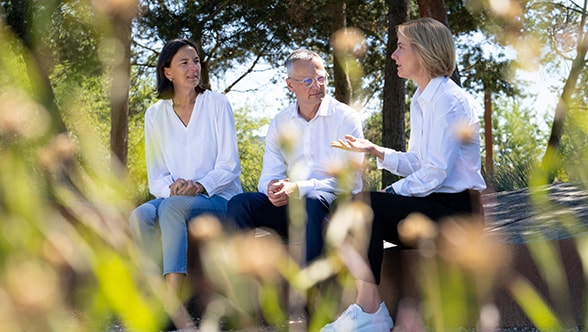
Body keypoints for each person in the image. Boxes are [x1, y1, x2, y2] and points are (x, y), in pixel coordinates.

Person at [322, 17, 487, 331]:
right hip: (431, 206)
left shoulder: (449, 100)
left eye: (400, 47)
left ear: (423, 52)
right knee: (348, 210)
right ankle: (368, 308)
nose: (393, 55)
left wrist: (392, 194)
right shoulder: (422, 98)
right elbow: (420, 161)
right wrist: (375, 151)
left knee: (358, 207)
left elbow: (437, 171)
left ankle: (370, 312)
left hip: (456, 213)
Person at [128, 38, 242, 330]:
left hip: (220, 198)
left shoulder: (217, 104)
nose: (194, 68)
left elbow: (230, 166)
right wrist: (173, 188)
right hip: (175, 197)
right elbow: (156, 175)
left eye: (196, 61)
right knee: (139, 215)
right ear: (168, 73)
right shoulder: (155, 114)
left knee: (172, 209)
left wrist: (200, 186)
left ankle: (172, 308)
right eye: (185, 63)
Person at [227, 48, 364, 266]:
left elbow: (349, 181)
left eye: (321, 78)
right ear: (290, 85)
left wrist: (299, 187)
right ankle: (241, 289)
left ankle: (307, 297)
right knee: (240, 204)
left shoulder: (345, 117)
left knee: (311, 203)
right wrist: (273, 189)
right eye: (308, 81)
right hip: (293, 205)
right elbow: (268, 176)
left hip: (332, 206)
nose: (317, 86)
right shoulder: (281, 121)